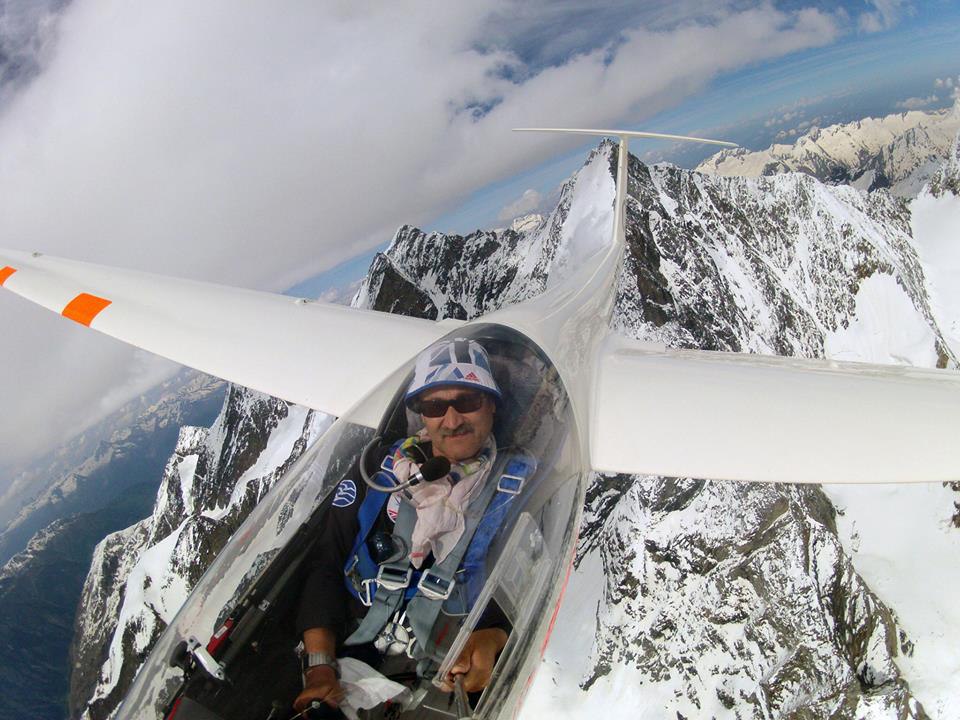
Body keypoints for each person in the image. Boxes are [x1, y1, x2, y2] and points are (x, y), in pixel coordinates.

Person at [294, 339, 527, 714]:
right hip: (349, 650)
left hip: (450, 665)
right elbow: (327, 558)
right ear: (421, 414)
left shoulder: (516, 484)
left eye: (468, 401)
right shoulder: (381, 473)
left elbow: (526, 583)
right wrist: (319, 668)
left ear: (493, 405)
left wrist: (492, 636)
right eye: (435, 406)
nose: (451, 421)